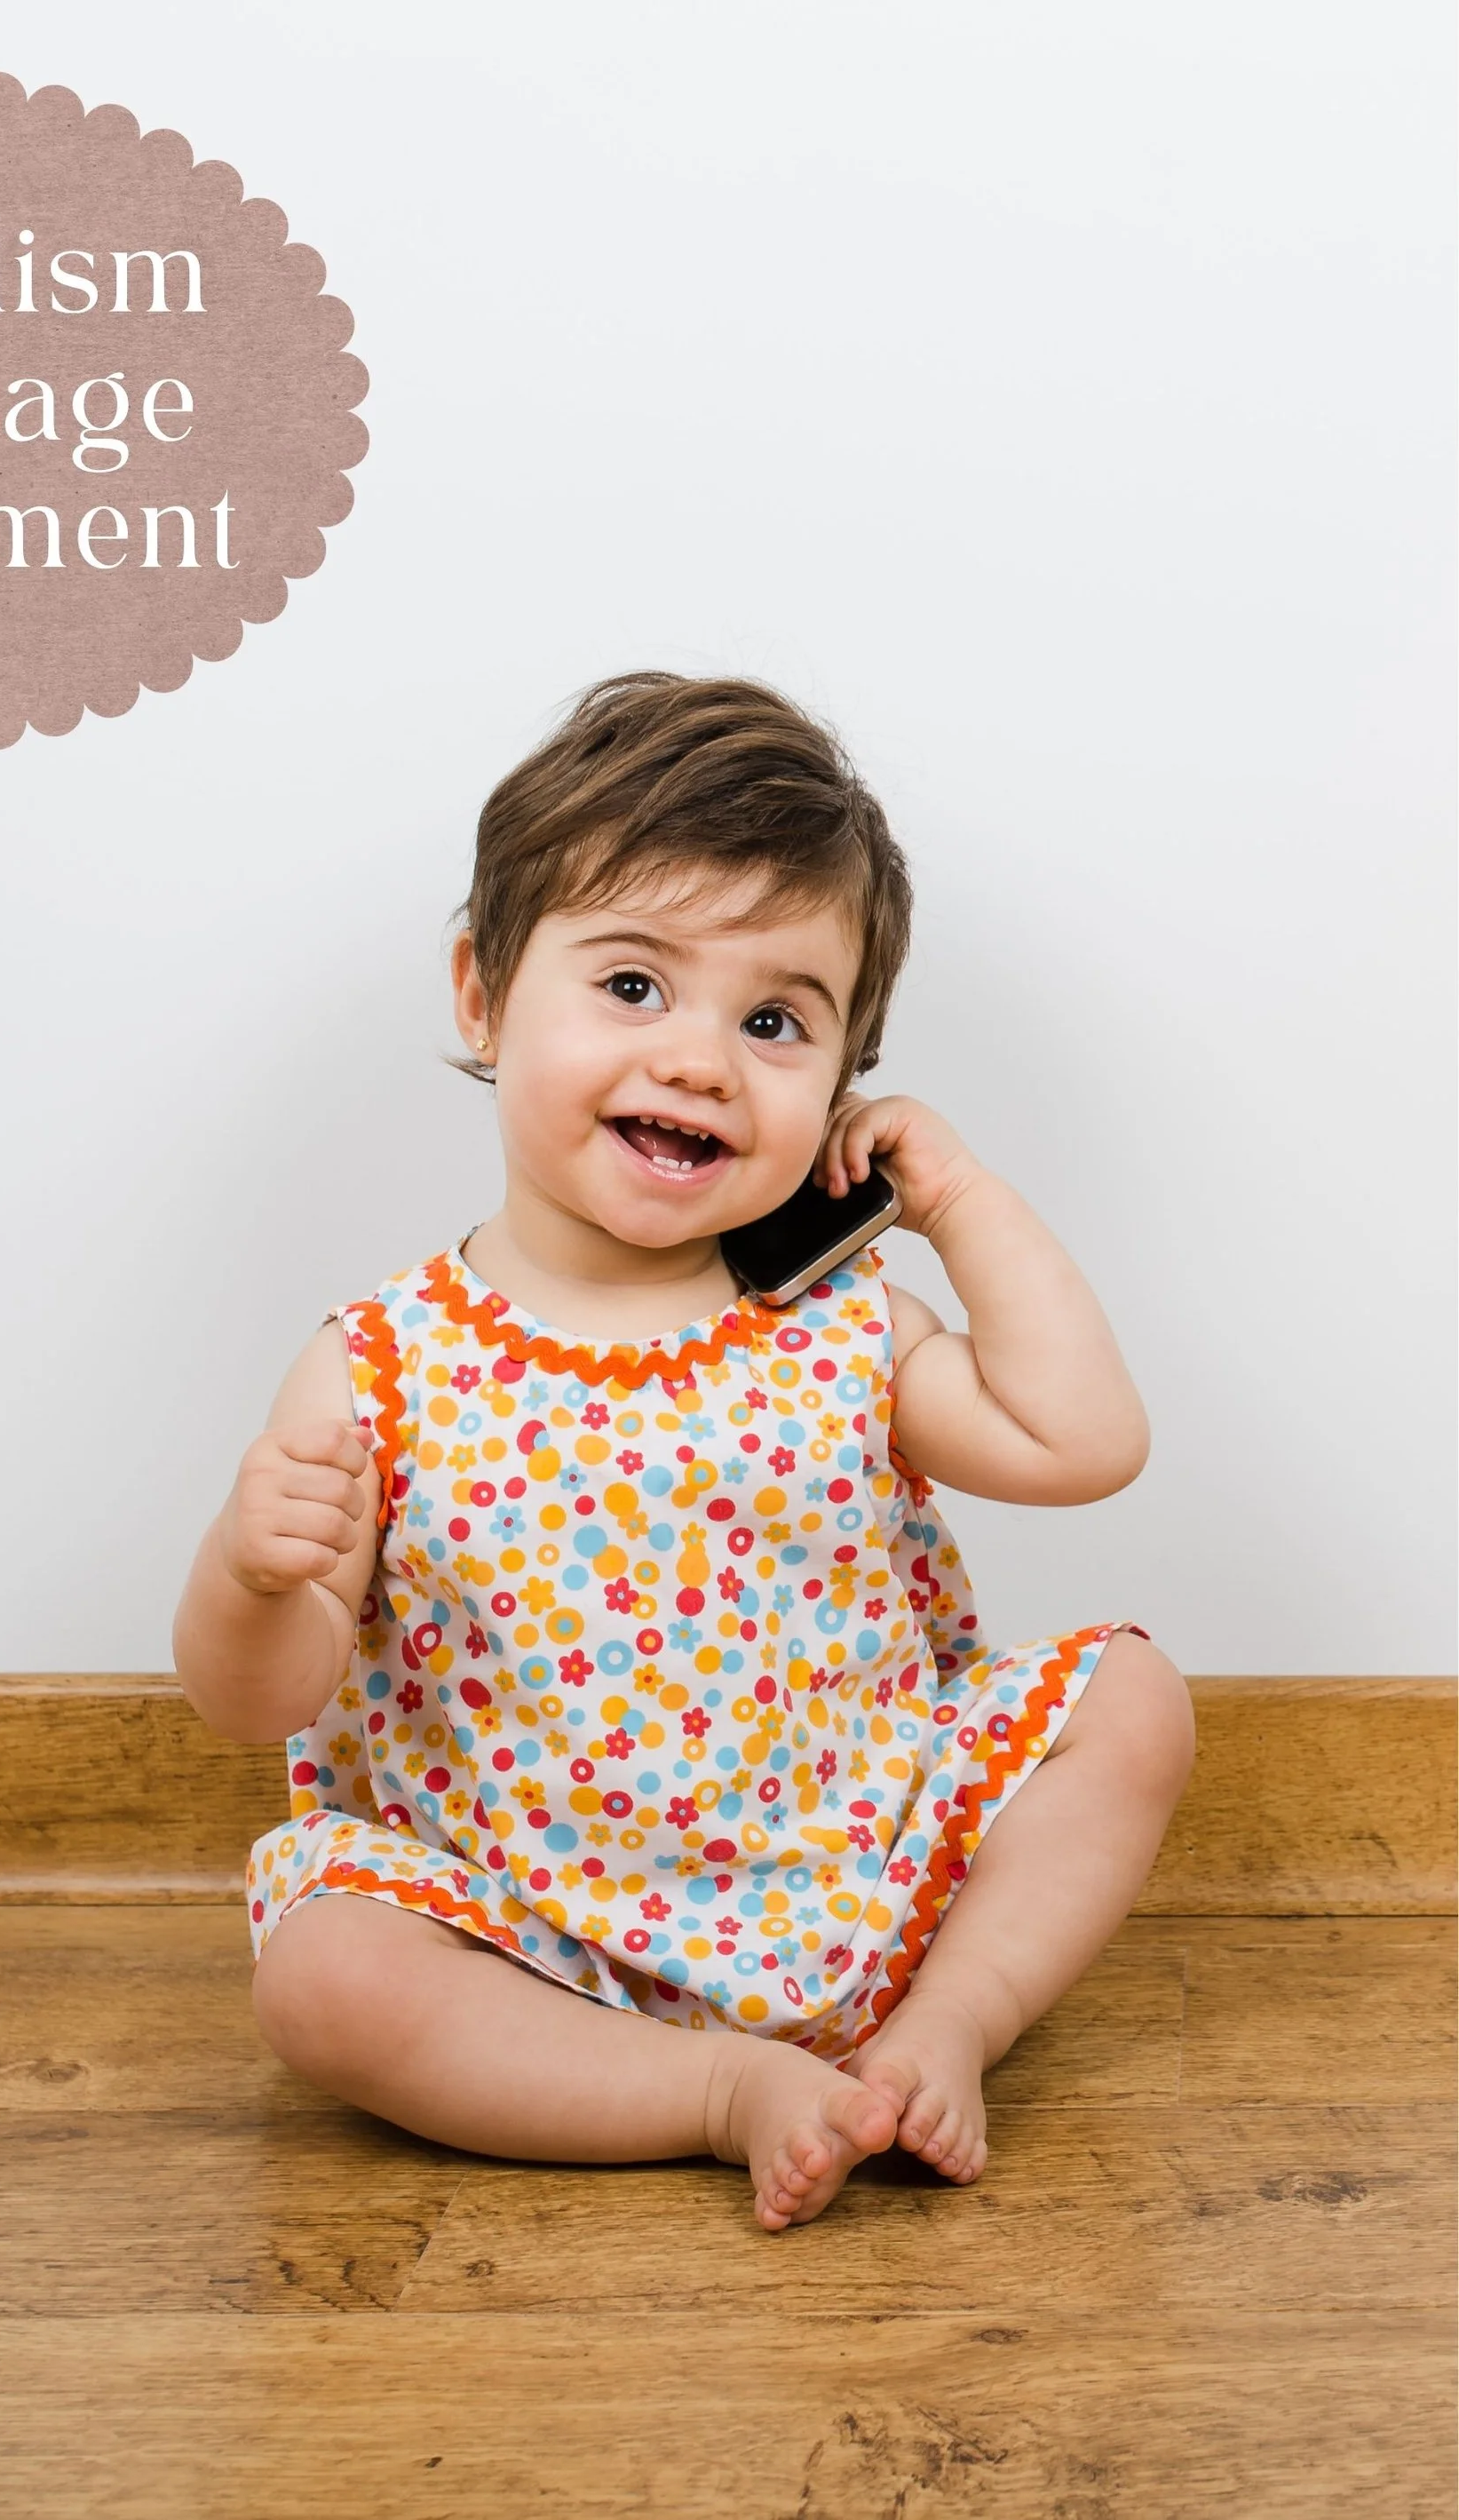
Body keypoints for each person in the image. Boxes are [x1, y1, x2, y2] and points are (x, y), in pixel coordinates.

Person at [173, 674, 1195, 2230]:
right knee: (325, 1974)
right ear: (481, 993)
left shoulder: (842, 1321)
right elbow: (264, 1697)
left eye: (774, 1020)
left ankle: (948, 2027)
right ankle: (711, 2091)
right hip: (530, 1934)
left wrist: (959, 1199)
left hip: (860, 1862)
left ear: (842, 1081)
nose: (704, 1060)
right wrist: (252, 1576)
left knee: (1131, 1698)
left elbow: (1082, 1444)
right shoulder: (383, 1368)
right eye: (636, 987)